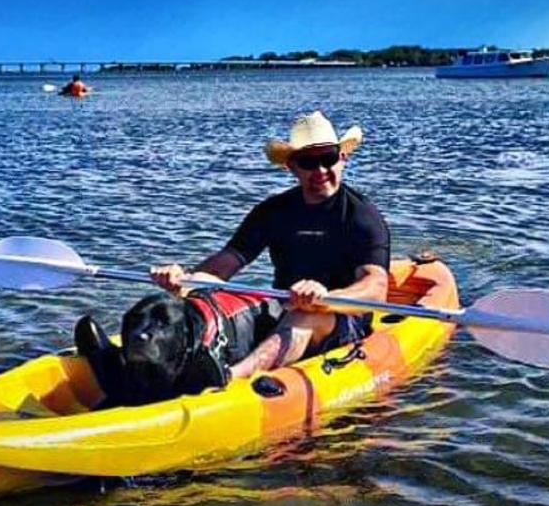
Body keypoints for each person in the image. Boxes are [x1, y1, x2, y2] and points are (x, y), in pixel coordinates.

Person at [150, 111, 390, 380]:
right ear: (292, 167)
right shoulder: (273, 211)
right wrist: (184, 280)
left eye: (328, 158)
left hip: (340, 317)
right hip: (284, 305)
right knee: (206, 293)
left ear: (342, 159)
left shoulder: (362, 216)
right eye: (308, 162)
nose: (320, 170)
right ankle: (146, 361)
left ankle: (228, 379)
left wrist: (325, 299)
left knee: (303, 316)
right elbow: (225, 264)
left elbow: (376, 288)